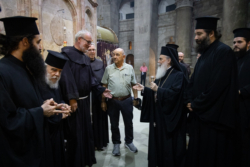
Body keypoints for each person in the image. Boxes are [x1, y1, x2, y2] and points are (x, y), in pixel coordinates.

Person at [0, 16, 68, 167]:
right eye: (37, 42)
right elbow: (6, 122)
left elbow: (26, 104)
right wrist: (40, 111)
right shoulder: (3, 72)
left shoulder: (26, 68)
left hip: (38, 148)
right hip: (21, 156)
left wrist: (47, 105)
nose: (40, 47)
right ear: (25, 42)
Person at [185, 16, 238, 167]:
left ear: (211, 33)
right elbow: (192, 81)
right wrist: (189, 101)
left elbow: (217, 87)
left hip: (214, 119)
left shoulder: (224, 52)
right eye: (196, 34)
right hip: (199, 116)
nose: (196, 38)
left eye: (199, 34)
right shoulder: (204, 55)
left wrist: (195, 104)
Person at [59, 30, 112, 167]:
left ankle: (85, 159)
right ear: (79, 40)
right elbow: (66, 78)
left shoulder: (84, 57)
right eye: (88, 42)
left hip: (84, 101)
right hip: (74, 102)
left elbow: (91, 79)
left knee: (86, 132)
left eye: (90, 42)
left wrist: (101, 90)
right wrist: (72, 98)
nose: (89, 45)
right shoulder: (66, 55)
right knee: (75, 134)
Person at [133, 46, 188, 167]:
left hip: (170, 119)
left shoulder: (178, 75)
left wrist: (158, 89)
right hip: (159, 116)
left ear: (169, 60)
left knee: (168, 146)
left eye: (160, 59)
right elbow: (155, 91)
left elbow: (176, 95)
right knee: (158, 143)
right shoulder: (162, 74)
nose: (158, 61)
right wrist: (145, 89)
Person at [101, 48, 139, 156]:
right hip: (112, 101)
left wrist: (135, 98)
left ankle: (129, 141)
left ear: (123, 57)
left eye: (117, 55)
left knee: (128, 122)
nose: (114, 57)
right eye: (113, 55)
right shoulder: (108, 69)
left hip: (127, 100)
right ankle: (116, 143)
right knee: (114, 124)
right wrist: (103, 101)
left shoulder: (129, 68)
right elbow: (104, 85)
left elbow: (133, 84)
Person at [39, 50, 71, 167]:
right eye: (53, 70)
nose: (57, 74)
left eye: (59, 71)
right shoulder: (38, 84)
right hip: (45, 132)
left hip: (57, 131)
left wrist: (64, 105)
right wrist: (60, 116)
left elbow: (59, 98)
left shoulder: (54, 82)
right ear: (45, 68)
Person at [87, 43, 109, 151]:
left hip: (99, 95)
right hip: (88, 96)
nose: (92, 51)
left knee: (99, 119)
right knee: (90, 120)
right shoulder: (83, 63)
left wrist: (103, 98)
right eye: (89, 49)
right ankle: (91, 143)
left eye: (93, 50)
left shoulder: (100, 63)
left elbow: (104, 80)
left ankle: (100, 142)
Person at [233, 28, 250, 167]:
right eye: (234, 42)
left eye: (239, 42)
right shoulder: (235, 60)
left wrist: (241, 91)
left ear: (248, 43)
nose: (236, 45)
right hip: (235, 108)